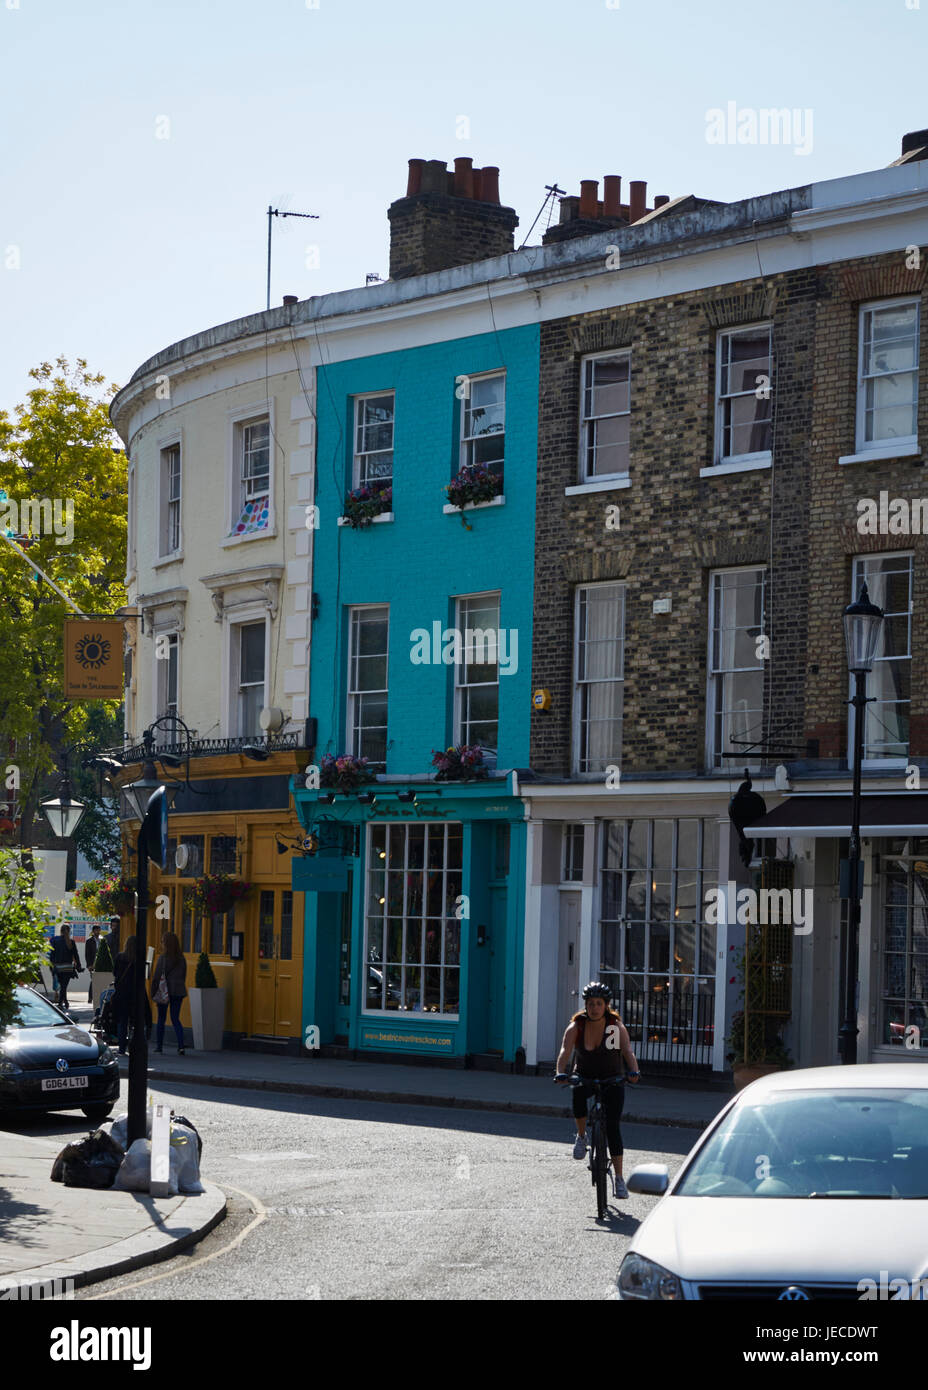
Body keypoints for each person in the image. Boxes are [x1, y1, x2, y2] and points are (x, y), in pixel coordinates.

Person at [555, 981, 640, 1200]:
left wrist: (633, 1071)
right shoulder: (578, 1026)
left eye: (598, 1004)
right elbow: (565, 1052)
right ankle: (582, 1137)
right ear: (585, 1005)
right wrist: (560, 1072)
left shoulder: (613, 1026)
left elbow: (626, 1052)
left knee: (613, 1128)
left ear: (606, 1005)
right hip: (585, 1076)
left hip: (612, 1079)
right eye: (590, 1003)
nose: (594, 1008)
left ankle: (619, 1179)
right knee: (578, 1093)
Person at [150, 932, 187, 1055]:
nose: (161, 943)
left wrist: (153, 991)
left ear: (166, 944)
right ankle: (181, 1046)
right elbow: (183, 975)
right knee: (175, 1018)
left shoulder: (163, 958)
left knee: (161, 1018)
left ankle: (159, 1046)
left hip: (164, 991)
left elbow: (156, 977)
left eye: (162, 941)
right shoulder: (181, 958)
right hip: (178, 991)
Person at [112, 936, 138, 1055]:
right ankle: (135, 1046)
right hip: (134, 993)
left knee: (122, 1022)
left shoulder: (119, 957)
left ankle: (122, 1048)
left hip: (122, 993)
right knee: (135, 1021)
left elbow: (114, 973)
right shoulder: (138, 959)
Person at [48, 925, 81, 1013]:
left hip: (58, 967)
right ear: (69, 931)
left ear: (61, 931)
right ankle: (62, 1002)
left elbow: (52, 954)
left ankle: (62, 1002)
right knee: (64, 986)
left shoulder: (55, 940)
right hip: (67, 968)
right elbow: (76, 955)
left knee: (62, 986)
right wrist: (79, 966)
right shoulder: (71, 942)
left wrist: (51, 966)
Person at [84, 923, 102, 1002]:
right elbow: (87, 954)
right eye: (96, 930)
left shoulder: (102, 940)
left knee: (98, 980)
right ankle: (90, 997)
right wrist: (89, 965)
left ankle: (96, 997)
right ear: (93, 931)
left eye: (98, 930)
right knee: (93, 980)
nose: (97, 932)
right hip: (92, 964)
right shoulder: (89, 941)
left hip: (100, 964)